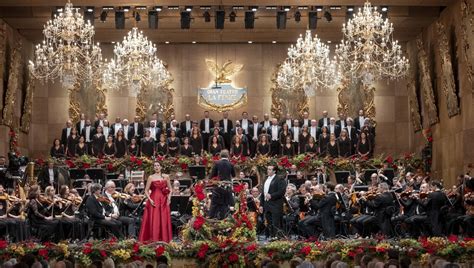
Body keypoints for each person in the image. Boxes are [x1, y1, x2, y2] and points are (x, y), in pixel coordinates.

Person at [139, 162, 172, 242]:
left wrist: (169, 198)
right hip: (154, 200)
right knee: (155, 219)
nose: (156, 167)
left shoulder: (166, 177)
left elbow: (170, 189)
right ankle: (153, 239)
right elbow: (146, 190)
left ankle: (164, 239)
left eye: (158, 165)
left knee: (163, 219)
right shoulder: (151, 177)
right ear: (153, 168)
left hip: (164, 201)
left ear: (161, 167)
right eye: (155, 166)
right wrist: (150, 200)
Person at [261, 165, 286, 239]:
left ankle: (277, 238)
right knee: (269, 222)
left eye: (270, 169)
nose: (268, 170)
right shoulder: (266, 179)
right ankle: (272, 237)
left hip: (276, 204)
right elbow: (263, 193)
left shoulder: (279, 179)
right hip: (267, 204)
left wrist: (271, 195)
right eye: (267, 169)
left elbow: (281, 192)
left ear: (274, 171)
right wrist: (261, 205)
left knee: (276, 222)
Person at [209, 150, 236, 219]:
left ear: (220, 156)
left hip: (219, 188)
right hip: (228, 188)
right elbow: (234, 175)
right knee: (226, 204)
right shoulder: (231, 164)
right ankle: (224, 219)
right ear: (228, 156)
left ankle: (211, 217)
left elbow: (212, 176)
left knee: (214, 204)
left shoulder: (217, 163)